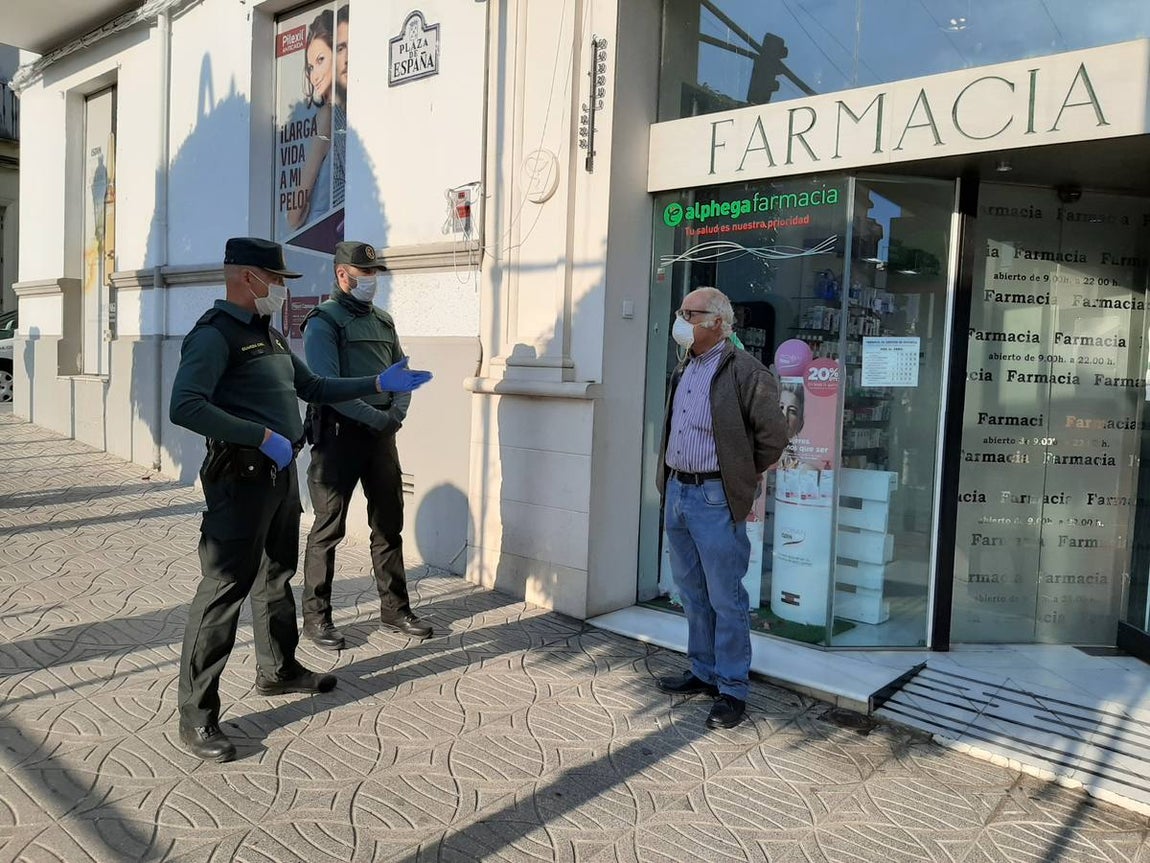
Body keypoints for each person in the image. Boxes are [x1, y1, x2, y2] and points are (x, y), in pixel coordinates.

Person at [169, 237, 432, 763]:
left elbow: (312, 385)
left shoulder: (266, 335)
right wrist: (256, 435)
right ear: (248, 277)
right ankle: (197, 716)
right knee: (224, 590)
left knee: (275, 577)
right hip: (239, 479)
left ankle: (278, 669)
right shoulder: (214, 335)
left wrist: (378, 380)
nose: (283, 292)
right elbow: (185, 405)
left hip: (278, 476)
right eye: (277, 281)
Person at [655, 287, 788, 729]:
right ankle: (702, 671)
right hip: (678, 491)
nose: (680, 320)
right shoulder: (685, 367)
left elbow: (773, 437)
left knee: (726, 598)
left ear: (717, 322)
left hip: (715, 497)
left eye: (687, 313)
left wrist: (739, 478)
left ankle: (732, 688)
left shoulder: (746, 371)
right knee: (691, 592)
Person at [300, 241, 431, 649]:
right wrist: (379, 419)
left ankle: (395, 609)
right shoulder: (324, 321)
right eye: (364, 275)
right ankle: (316, 618)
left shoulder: (383, 321)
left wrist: (396, 415)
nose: (371, 282)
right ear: (343, 276)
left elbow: (403, 373)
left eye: (374, 275)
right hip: (339, 436)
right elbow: (327, 387)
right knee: (328, 528)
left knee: (388, 524)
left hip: (381, 436)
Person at [287, 10, 335, 230]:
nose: (314, 75)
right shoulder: (342, 115)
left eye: (321, 60)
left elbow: (304, 185)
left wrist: (292, 217)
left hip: (319, 229)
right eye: (311, 67)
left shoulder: (328, 115)